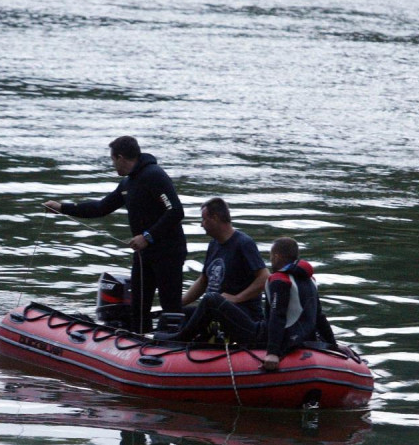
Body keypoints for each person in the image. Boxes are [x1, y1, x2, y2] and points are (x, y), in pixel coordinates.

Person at [45, 136, 186, 333]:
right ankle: (140, 349)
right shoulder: (128, 183)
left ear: (120, 157)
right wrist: (62, 208)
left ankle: (174, 347)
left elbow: (176, 211)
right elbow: (101, 207)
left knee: (170, 307)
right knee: (138, 308)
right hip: (144, 255)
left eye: (112, 160)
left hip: (168, 252)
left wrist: (147, 237)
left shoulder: (154, 176)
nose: (113, 165)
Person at [156, 237, 337, 371]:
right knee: (191, 311)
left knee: (212, 300)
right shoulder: (308, 279)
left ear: (277, 256)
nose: (271, 261)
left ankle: (180, 339)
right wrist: (333, 345)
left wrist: (273, 352)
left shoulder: (280, 281)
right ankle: (194, 336)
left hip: (262, 337)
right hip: (296, 336)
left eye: (271, 257)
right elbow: (319, 317)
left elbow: (277, 316)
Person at [182, 198, 268, 322]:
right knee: (177, 313)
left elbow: (264, 277)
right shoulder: (213, 244)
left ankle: (180, 339)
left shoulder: (243, 243)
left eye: (204, 219)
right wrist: (180, 302)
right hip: (213, 308)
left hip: (241, 312)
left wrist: (237, 298)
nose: (201, 224)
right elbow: (203, 280)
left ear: (215, 218)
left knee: (212, 302)